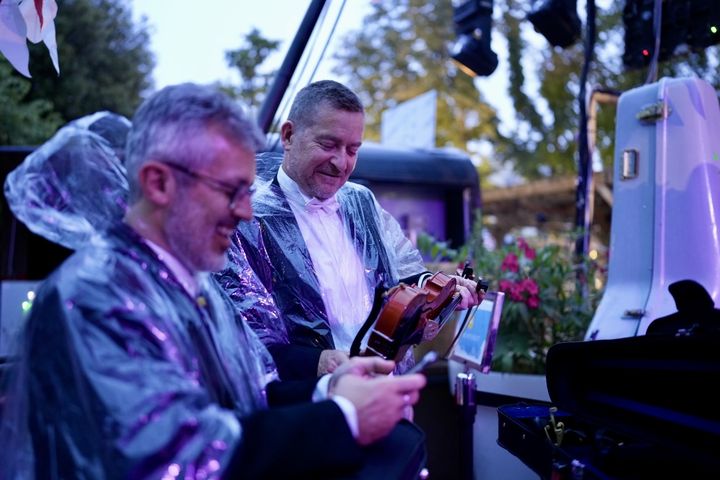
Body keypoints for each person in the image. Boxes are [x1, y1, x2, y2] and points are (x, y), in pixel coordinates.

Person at [0, 83, 427, 479]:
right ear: (159, 182)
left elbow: (243, 399)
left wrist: (328, 389)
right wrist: (344, 418)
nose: (246, 212)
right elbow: (175, 455)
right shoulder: (97, 297)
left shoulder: (183, 285)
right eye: (231, 191)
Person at [218, 80, 482, 380]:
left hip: (383, 387)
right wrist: (317, 363)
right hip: (306, 405)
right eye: (328, 145)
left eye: (352, 150)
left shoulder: (361, 201)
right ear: (289, 136)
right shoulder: (247, 216)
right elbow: (239, 333)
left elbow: (402, 271)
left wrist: (442, 290)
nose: (341, 162)